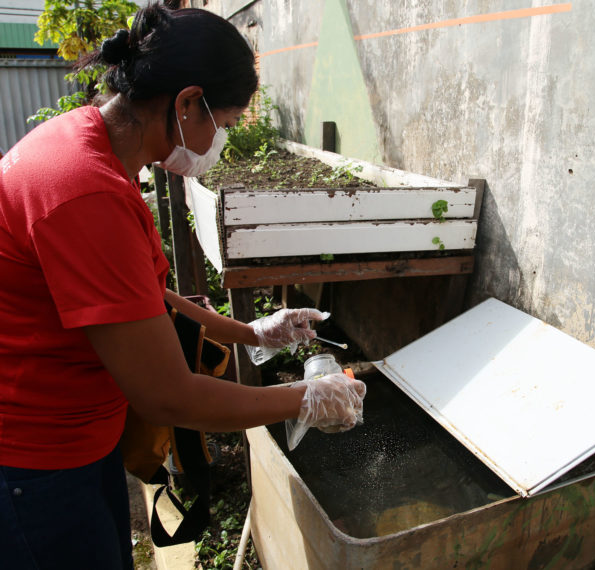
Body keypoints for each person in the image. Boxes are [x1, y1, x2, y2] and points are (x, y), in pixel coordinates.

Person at [0, 4, 366, 569]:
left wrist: (252, 332)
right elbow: (166, 395)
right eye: (225, 124)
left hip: (78, 436)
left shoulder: (95, 147)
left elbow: (139, 297)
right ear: (188, 103)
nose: (221, 142)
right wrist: (304, 399)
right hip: (34, 459)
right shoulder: (85, 191)